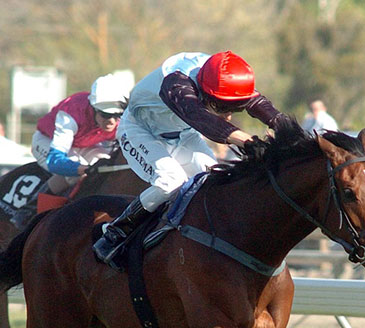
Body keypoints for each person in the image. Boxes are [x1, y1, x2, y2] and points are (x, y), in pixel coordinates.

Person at [92, 51, 287, 266]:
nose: (229, 115)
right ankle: (115, 232)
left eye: (234, 109)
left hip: (182, 133)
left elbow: (260, 105)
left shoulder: (223, 78)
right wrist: (249, 142)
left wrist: (291, 133)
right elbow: (201, 119)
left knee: (215, 178)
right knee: (170, 182)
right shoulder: (176, 82)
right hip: (140, 130)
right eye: (223, 108)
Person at [8, 72, 132, 227]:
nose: (112, 121)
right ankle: (29, 210)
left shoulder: (123, 120)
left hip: (85, 144)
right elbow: (55, 161)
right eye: (105, 114)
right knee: (73, 173)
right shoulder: (71, 113)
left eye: (117, 115)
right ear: (93, 108)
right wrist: (81, 169)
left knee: (105, 164)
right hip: (47, 141)